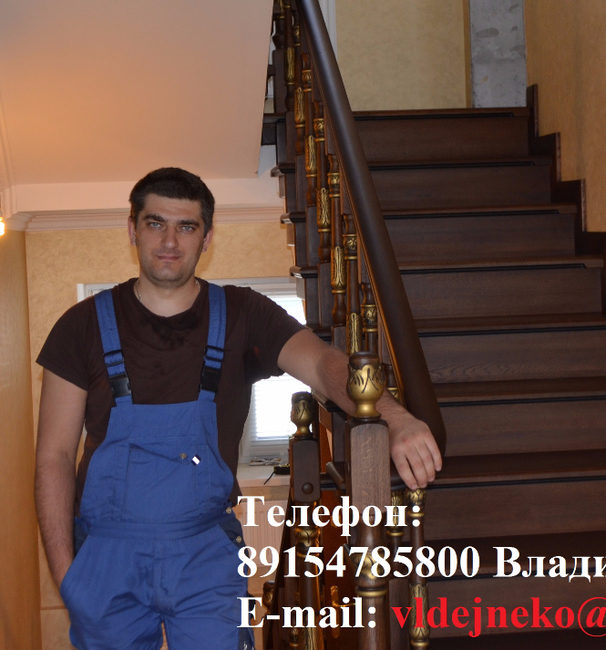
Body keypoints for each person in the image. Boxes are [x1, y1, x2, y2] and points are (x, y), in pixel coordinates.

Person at [35, 167, 442, 650]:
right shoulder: (80, 326)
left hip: (205, 554)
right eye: (155, 223)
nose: (170, 241)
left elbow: (323, 364)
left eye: (186, 226)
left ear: (207, 237)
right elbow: (54, 457)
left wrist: (393, 417)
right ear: (132, 229)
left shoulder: (243, 314)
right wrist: (68, 578)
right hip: (105, 556)